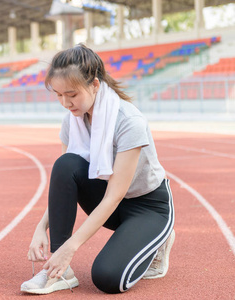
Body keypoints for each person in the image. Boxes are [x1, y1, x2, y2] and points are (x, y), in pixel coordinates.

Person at [20, 44, 175, 295]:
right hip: (108, 200)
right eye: (58, 95)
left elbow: (114, 195)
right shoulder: (73, 119)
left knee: (108, 279)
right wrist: (41, 228)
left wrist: (70, 247)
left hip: (147, 206)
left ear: (94, 84)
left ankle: (159, 240)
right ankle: (60, 273)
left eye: (71, 94)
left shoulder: (128, 121)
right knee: (66, 163)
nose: (65, 103)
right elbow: (63, 182)